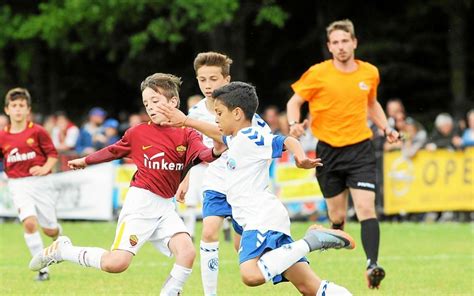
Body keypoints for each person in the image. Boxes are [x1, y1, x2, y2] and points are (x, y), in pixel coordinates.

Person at [29, 73, 224, 296]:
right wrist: (86, 160)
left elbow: (207, 155)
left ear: (174, 102)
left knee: (187, 252)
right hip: (140, 205)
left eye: (156, 101)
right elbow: (113, 150)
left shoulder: (188, 134)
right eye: (146, 103)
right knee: (116, 264)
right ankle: (64, 250)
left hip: (166, 208)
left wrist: (218, 146)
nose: (150, 107)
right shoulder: (139, 132)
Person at [161, 81, 356, 295]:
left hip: (261, 218)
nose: (215, 118)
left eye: (219, 113)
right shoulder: (236, 139)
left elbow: (286, 140)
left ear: (236, 113)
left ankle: (311, 241)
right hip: (265, 218)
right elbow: (217, 135)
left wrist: (300, 157)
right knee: (311, 288)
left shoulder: (252, 137)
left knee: (250, 275)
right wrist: (187, 121)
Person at [286, 19, 399, 289]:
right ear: (329, 46)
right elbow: (294, 102)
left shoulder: (369, 73)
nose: (340, 47)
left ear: (354, 42)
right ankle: (334, 232)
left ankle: (372, 264)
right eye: (335, 42)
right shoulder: (318, 73)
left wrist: (386, 128)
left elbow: (371, 104)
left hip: (360, 148)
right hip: (328, 151)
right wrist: (294, 124)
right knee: (337, 219)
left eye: (345, 41)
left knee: (365, 208)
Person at [175, 51, 270, 296]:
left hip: (244, 185)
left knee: (243, 250)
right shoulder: (194, 113)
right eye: (202, 79)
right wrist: (184, 177)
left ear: (226, 80)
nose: (208, 85)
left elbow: (237, 139)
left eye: (214, 79)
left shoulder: (241, 111)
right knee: (208, 231)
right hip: (215, 180)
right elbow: (189, 148)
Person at [0, 87, 60, 281]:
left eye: (21, 106)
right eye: (14, 106)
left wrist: (44, 168)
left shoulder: (38, 131)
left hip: (41, 182)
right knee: (29, 222)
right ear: (7, 109)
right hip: (17, 184)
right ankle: (43, 269)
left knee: (49, 229)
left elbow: (52, 154)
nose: (18, 109)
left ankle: (59, 238)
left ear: (28, 110)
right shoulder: (2, 136)